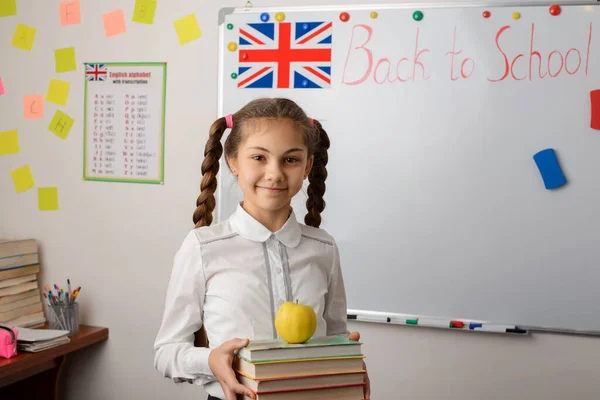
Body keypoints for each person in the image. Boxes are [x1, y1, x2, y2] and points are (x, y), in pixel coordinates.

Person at [154, 98, 370, 400]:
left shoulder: (324, 249)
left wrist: (349, 364)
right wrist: (211, 361)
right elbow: (167, 352)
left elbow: (335, 335)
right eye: (259, 157)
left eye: (290, 160)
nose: (275, 173)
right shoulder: (203, 248)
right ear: (232, 161)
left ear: (307, 166)